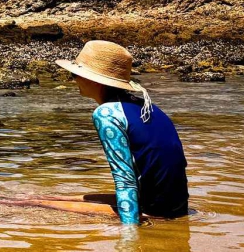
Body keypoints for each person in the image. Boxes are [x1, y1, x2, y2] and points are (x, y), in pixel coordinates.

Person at [50, 40, 190, 225]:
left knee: (31, 204)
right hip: (176, 205)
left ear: (94, 80)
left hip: (153, 210)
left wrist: (129, 234)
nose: (73, 79)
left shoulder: (106, 114)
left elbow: (124, 178)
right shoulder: (146, 106)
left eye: (74, 74)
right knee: (55, 198)